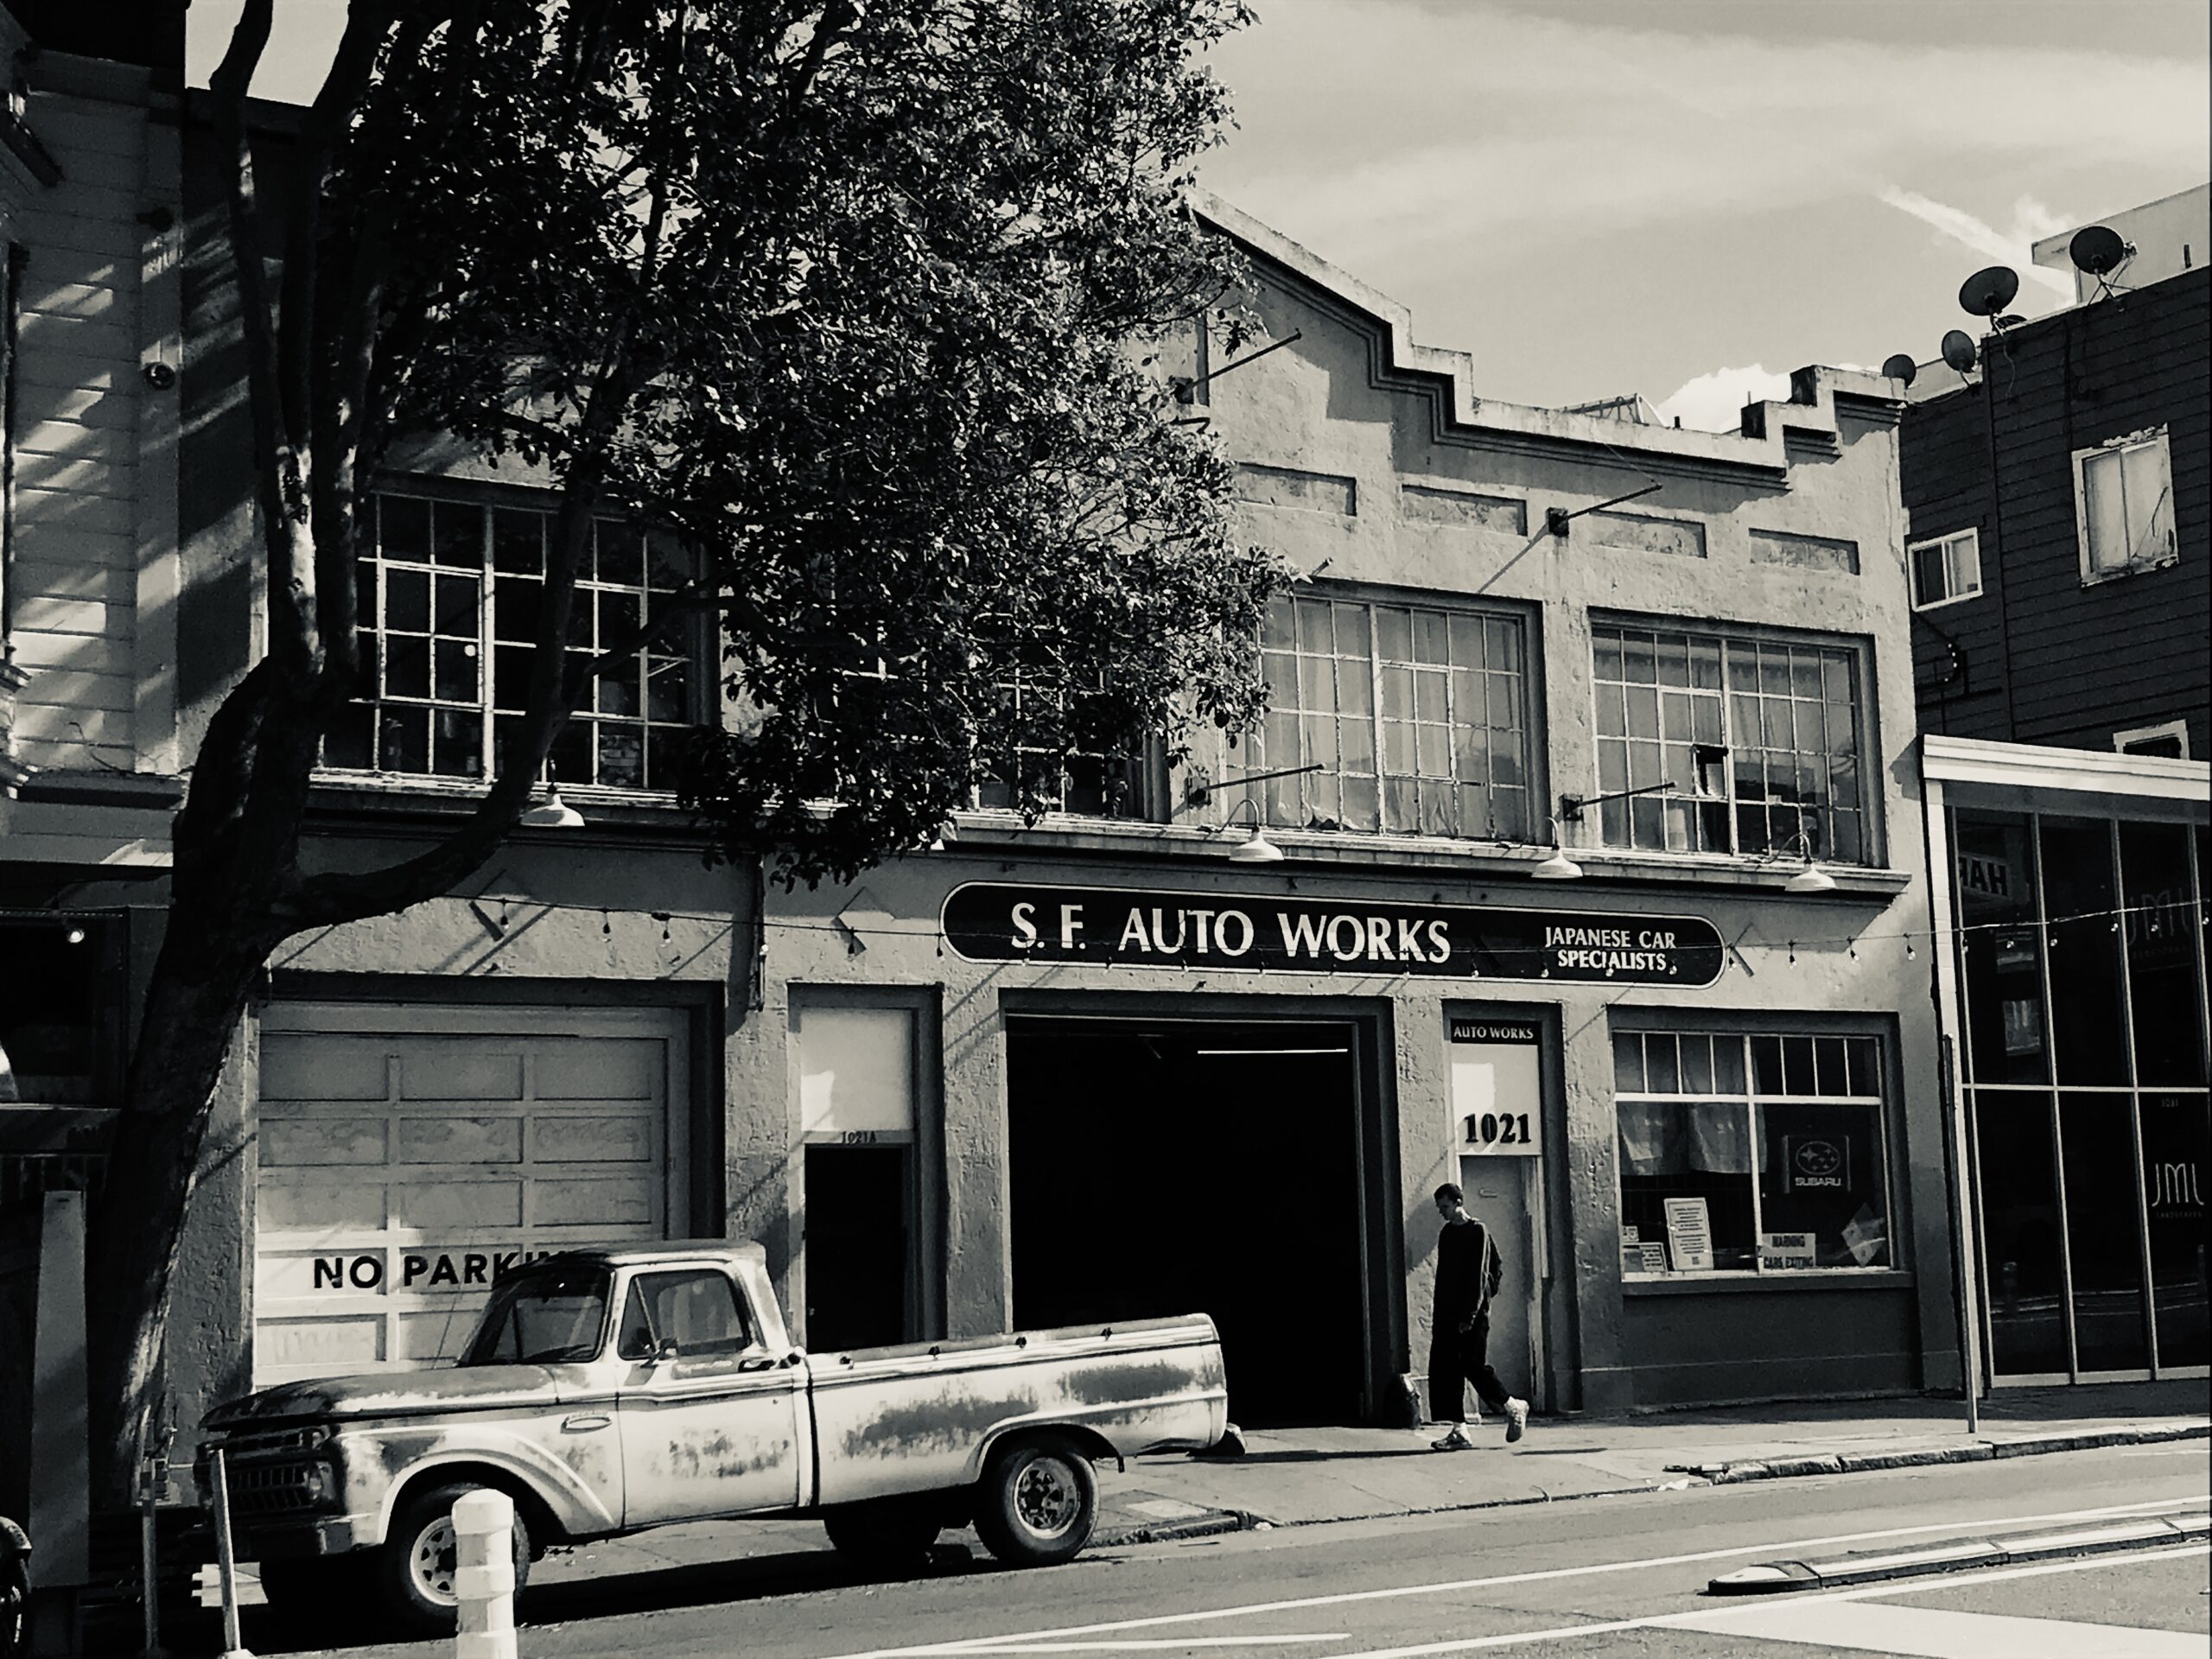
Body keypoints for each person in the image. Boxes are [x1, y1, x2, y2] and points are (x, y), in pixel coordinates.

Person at [1426, 1182, 1529, 1451]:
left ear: (1458, 1203)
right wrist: (1441, 1314)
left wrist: (1469, 1315)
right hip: (1447, 1314)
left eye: (1445, 1206)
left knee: (1472, 1365)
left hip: (1472, 1314)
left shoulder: (1477, 1231)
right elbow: (1444, 1277)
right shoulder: (1447, 1233)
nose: (1442, 1212)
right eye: (1439, 1207)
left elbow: (1478, 1275)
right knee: (1446, 1369)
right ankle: (1459, 1430)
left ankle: (1513, 1406)